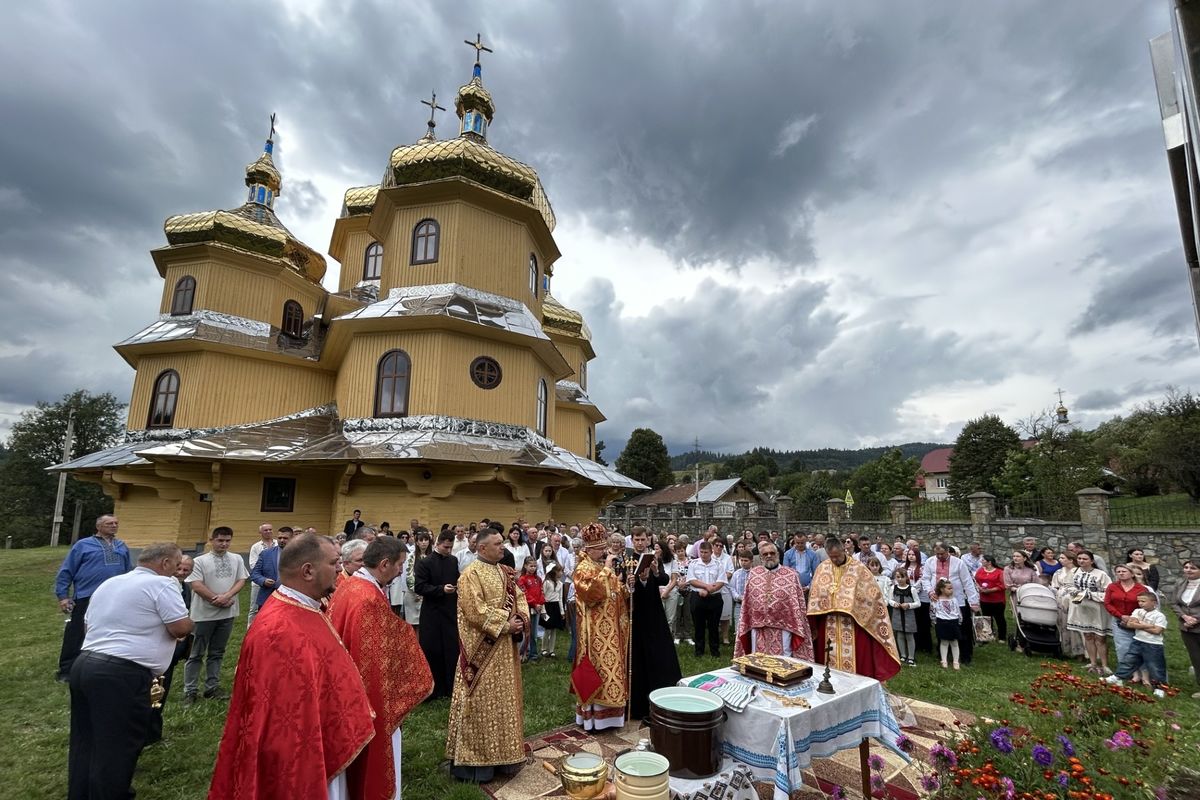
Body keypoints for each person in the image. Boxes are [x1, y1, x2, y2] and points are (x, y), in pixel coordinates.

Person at [208, 534, 375, 800]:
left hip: (324, 737)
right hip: (302, 757)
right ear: (308, 571)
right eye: (334, 563)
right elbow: (286, 720)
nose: (339, 569)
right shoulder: (279, 630)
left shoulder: (305, 608)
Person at [68, 542, 193, 800]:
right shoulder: (163, 584)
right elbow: (180, 627)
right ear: (165, 563)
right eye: (177, 564)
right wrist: (191, 622)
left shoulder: (111, 583)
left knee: (86, 738)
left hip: (85, 664)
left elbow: (87, 627)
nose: (179, 570)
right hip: (122, 674)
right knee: (118, 745)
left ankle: (80, 793)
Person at [330, 536, 433, 800]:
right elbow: (372, 659)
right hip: (370, 698)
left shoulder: (352, 585)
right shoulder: (368, 600)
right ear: (385, 564)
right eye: (399, 565)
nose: (401, 570)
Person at [445, 528, 529, 782]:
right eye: (497, 544)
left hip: (506, 652)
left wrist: (521, 619)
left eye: (502, 543)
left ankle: (505, 758)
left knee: (505, 702)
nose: (502, 547)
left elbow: (521, 598)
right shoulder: (469, 575)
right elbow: (475, 611)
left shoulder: (506, 571)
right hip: (481, 653)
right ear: (482, 548)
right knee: (481, 703)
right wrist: (506, 624)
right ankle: (476, 764)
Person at [807, 539, 901, 681]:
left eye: (837, 556)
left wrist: (852, 606)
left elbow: (871, 597)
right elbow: (816, 594)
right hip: (828, 624)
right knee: (827, 664)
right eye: (831, 556)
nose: (834, 559)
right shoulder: (822, 568)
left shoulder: (859, 569)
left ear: (844, 550)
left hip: (853, 624)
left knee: (857, 664)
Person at [55, 514, 133, 681]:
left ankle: (105, 664)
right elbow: (67, 570)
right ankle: (67, 670)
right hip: (87, 595)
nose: (114, 526)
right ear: (99, 527)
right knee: (77, 632)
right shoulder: (83, 545)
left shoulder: (121, 546)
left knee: (110, 630)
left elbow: (128, 572)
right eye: (109, 523)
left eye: (116, 523)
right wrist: (63, 596)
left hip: (115, 596)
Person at [573, 522, 630, 730]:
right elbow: (591, 595)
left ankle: (612, 717)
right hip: (594, 632)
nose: (604, 551)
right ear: (589, 549)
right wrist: (607, 569)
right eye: (599, 549)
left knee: (611, 671)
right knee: (597, 670)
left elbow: (616, 589)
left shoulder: (600, 566)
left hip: (612, 629)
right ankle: (593, 719)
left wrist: (626, 587)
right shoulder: (583, 568)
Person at [183, 526, 248, 704]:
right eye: (220, 540)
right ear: (211, 540)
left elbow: (241, 579)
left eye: (227, 540)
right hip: (203, 615)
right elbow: (196, 584)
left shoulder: (236, 559)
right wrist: (215, 599)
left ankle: (211, 687)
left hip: (227, 613)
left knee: (217, 652)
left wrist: (227, 597)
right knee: (196, 653)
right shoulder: (199, 561)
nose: (224, 544)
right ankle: (190, 690)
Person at [627, 526, 682, 723]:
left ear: (648, 540)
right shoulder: (627, 559)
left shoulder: (653, 557)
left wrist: (656, 572)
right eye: (637, 539)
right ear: (632, 540)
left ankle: (664, 693)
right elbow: (625, 587)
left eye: (643, 539)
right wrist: (637, 581)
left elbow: (664, 579)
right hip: (637, 612)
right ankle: (639, 702)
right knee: (639, 654)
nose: (640, 543)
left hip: (654, 610)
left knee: (660, 651)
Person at [734, 541, 813, 660]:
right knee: (758, 659)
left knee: (783, 659)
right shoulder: (754, 574)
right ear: (761, 557)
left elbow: (798, 603)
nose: (769, 556)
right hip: (758, 624)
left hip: (784, 626)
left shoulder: (791, 575)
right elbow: (747, 601)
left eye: (772, 553)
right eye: (765, 554)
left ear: (778, 555)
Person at [147, 553, 194, 745]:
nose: (181, 573)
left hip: (173, 645)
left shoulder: (185, 587)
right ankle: (145, 732)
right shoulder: (162, 587)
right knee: (151, 691)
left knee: (161, 690)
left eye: (186, 570)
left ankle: (153, 732)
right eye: (179, 568)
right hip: (156, 647)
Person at [919, 542, 981, 666]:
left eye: (942, 553)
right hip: (938, 600)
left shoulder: (958, 563)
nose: (939, 556)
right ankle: (943, 654)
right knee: (941, 626)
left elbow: (967, 582)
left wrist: (973, 601)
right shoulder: (930, 562)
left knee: (962, 627)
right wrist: (930, 592)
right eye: (937, 554)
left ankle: (965, 655)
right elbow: (925, 578)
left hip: (957, 600)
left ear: (948, 551)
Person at [415, 530, 461, 699]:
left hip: (449, 610)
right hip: (432, 612)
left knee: (451, 649)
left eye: (450, 547)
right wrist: (441, 589)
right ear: (438, 543)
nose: (448, 550)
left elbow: (456, 579)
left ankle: (450, 688)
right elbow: (420, 587)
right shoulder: (425, 563)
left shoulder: (453, 560)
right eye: (445, 547)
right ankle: (434, 689)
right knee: (432, 649)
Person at [1105, 591, 1168, 698]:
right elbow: (1129, 624)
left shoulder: (1159, 616)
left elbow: (1158, 631)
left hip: (1153, 644)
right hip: (1137, 640)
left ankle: (1159, 687)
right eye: (1139, 601)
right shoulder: (1137, 611)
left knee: (1155, 666)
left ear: (1154, 602)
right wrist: (1148, 626)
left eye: (1143, 601)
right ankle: (1118, 677)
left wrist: (1139, 624)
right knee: (1129, 660)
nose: (1140, 603)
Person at [1066, 550, 1112, 675]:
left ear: (1091, 561)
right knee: (1087, 635)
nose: (1081, 561)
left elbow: (1108, 592)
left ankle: (1104, 664)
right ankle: (1092, 662)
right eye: (1079, 558)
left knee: (1100, 637)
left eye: (1085, 559)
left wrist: (1090, 594)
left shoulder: (1100, 574)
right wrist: (1074, 591)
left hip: (1096, 607)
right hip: (1081, 606)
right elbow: (1067, 585)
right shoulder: (1074, 571)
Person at [686, 540, 725, 658]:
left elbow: (721, 581)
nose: (703, 554)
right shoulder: (694, 563)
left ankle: (715, 650)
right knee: (699, 625)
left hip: (714, 597)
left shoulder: (718, 564)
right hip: (697, 597)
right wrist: (705, 586)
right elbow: (692, 580)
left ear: (711, 552)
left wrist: (708, 590)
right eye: (701, 552)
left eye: (706, 552)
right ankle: (699, 651)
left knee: (714, 625)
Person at [1103, 564, 1146, 666]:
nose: (1121, 573)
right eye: (1118, 572)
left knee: (1139, 646)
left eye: (1124, 571)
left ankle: (1142, 671)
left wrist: (1134, 618)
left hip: (1137, 621)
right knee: (1122, 647)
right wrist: (1120, 616)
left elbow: (1146, 605)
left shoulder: (1141, 589)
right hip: (1118, 620)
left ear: (1131, 574)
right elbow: (1107, 603)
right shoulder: (1112, 587)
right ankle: (1126, 670)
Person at [1172, 559, 1200, 699]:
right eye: (1186, 567)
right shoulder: (1180, 583)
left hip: (1198, 623)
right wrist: (1184, 617)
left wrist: (1196, 619)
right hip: (1186, 628)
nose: (1188, 570)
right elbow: (1174, 603)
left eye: (1193, 568)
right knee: (1196, 658)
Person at [249, 526, 293, 614]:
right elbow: (254, 574)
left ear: (292, 539)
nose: (282, 540)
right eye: (279, 538)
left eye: (285, 538)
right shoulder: (266, 554)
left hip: (291, 597)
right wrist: (263, 580)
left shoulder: (301, 555)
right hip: (268, 596)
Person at [1050, 552, 1086, 659]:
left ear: (1070, 560)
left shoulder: (1079, 571)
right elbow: (1055, 586)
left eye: (1063, 558)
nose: (1060, 560)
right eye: (1060, 558)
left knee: (1075, 624)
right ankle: (1067, 650)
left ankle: (1081, 652)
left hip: (1074, 599)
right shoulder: (1058, 572)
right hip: (1060, 600)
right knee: (1063, 624)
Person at [888, 567, 920, 665]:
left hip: (908, 615)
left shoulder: (912, 589)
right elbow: (890, 599)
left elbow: (918, 603)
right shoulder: (893, 588)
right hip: (897, 614)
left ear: (906, 577)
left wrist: (909, 605)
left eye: (902, 577)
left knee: (909, 635)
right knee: (900, 635)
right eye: (898, 577)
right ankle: (902, 655)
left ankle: (911, 656)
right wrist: (894, 604)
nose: (900, 579)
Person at [246, 523, 276, 626]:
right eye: (265, 530)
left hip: (276, 583)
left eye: (270, 530)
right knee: (254, 608)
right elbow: (253, 565)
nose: (268, 532)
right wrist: (264, 578)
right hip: (258, 583)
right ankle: (250, 630)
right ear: (260, 532)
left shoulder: (278, 544)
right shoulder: (256, 547)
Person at [904, 548, 932, 655]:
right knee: (912, 622)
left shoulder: (922, 568)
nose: (911, 556)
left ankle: (926, 645)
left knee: (923, 622)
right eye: (909, 554)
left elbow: (922, 580)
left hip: (921, 598)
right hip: (908, 598)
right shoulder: (903, 567)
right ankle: (914, 644)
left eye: (913, 554)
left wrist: (913, 590)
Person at [517, 556, 546, 662]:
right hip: (527, 608)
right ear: (525, 566)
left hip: (537, 608)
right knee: (526, 631)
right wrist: (534, 603)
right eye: (531, 566)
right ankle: (523, 652)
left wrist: (541, 603)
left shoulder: (538, 579)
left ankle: (533, 654)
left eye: (535, 566)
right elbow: (524, 593)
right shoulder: (522, 579)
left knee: (534, 632)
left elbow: (541, 592)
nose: (533, 568)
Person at [405, 529, 433, 634]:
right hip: (413, 594)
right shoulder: (411, 556)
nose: (424, 542)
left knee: (426, 624)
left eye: (426, 540)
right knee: (413, 626)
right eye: (421, 540)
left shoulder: (433, 556)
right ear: (417, 542)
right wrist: (417, 590)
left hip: (428, 595)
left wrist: (425, 591)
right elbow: (409, 575)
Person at [974, 555, 1007, 644]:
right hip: (984, 599)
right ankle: (988, 635)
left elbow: (1003, 585)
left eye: (983, 560)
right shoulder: (980, 570)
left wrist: (991, 590)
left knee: (999, 618)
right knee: (986, 617)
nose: (981, 561)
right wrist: (979, 588)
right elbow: (976, 580)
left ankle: (1002, 637)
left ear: (989, 562)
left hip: (997, 599)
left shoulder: (1000, 572)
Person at [932, 579, 962, 670]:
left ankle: (956, 661)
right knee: (944, 642)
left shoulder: (954, 600)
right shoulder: (936, 600)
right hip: (942, 622)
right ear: (942, 589)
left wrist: (960, 620)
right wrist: (934, 621)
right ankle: (944, 660)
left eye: (952, 588)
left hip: (953, 621)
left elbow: (958, 610)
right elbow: (933, 611)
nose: (951, 590)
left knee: (954, 642)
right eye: (949, 588)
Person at [542, 563, 565, 657]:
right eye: (559, 571)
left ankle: (551, 650)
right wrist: (543, 610)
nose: (561, 573)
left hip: (556, 607)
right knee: (547, 629)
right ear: (553, 572)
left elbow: (560, 598)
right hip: (548, 606)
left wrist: (562, 611)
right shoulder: (547, 583)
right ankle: (544, 648)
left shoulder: (560, 584)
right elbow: (543, 596)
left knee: (554, 629)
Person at [729, 552, 752, 639]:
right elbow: (732, 587)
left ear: (751, 561)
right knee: (739, 624)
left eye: (746, 560)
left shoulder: (754, 573)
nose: (743, 562)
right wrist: (737, 596)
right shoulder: (736, 573)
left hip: (751, 604)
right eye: (741, 560)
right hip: (739, 603)